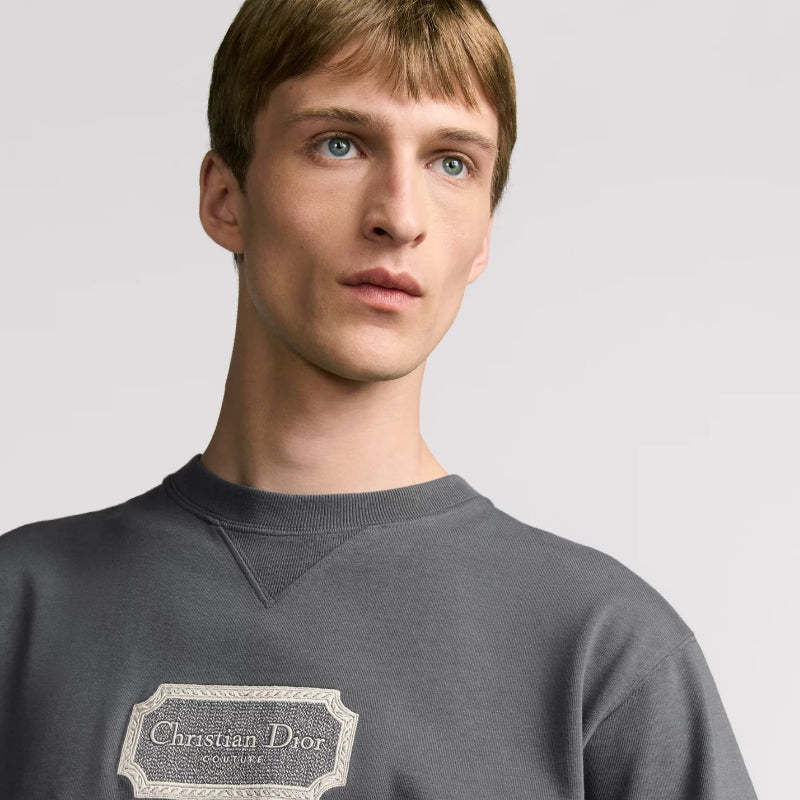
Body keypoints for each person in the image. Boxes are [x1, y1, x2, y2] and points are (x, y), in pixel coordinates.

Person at [0, 1, 759, 798]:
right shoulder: (23, 612)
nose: (399, 216)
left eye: (452, 163)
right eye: (339, 144)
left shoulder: (602, 652)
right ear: (226, 198)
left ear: (483, 237)